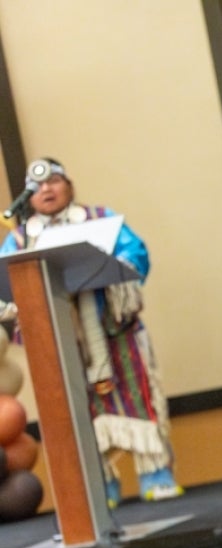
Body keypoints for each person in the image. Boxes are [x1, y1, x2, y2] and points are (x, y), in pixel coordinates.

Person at [0, 157, 182, 507]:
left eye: (54, 181)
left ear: (69, 185)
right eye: (38, 186)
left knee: (137, 399)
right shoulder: (21, 238)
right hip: (61, 343)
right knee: (74, 414)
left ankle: (155, 473)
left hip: (116, 334)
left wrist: (122, 268)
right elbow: (8, 280)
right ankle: (100, 489)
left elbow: (133, 252)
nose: (47, 189)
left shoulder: (99, 220)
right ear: (28, 196)